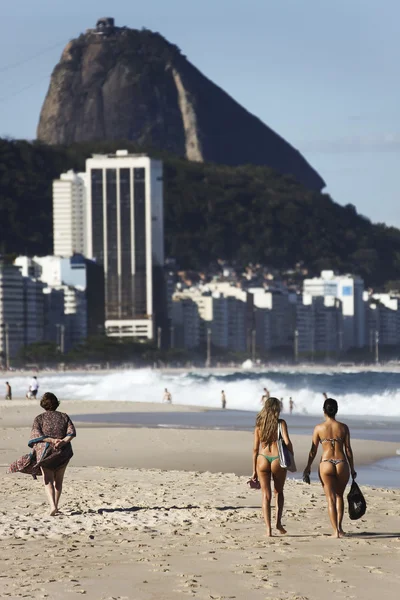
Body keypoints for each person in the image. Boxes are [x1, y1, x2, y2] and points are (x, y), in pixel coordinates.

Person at [8, 392, 76, 516]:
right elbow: (71, 433)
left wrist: (51, 440)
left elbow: (36, 435)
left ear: (43, 405)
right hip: (63, 452)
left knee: (48, 479)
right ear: (56, 403)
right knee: (59, 481)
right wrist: (62, 442)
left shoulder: (39, 418)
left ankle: (52, 506)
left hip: (45, 453)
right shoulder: (64, 416)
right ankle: (56, 505)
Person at [303, 397, 356, 538]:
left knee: (330, 498)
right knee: (339, 496)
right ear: (336, 410)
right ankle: (340, 528)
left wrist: (308, 467)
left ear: (324, 411)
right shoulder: (343, 427)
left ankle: (335, 532)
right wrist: (352, 468)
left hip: (326, 463)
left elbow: (313, 450)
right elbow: (348, 450)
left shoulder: (319, 428)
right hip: (341, 462)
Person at [251, 397, 294, 537]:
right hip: (277, 458)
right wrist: (291, 456)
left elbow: (255, 449)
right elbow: (287, 442)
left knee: (265, 495)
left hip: (262, 459)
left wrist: (254, 471)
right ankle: (278, 523)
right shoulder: (281, 423)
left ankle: (268, 530)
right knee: (278, 492)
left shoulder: (259, 424)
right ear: (277, 409)